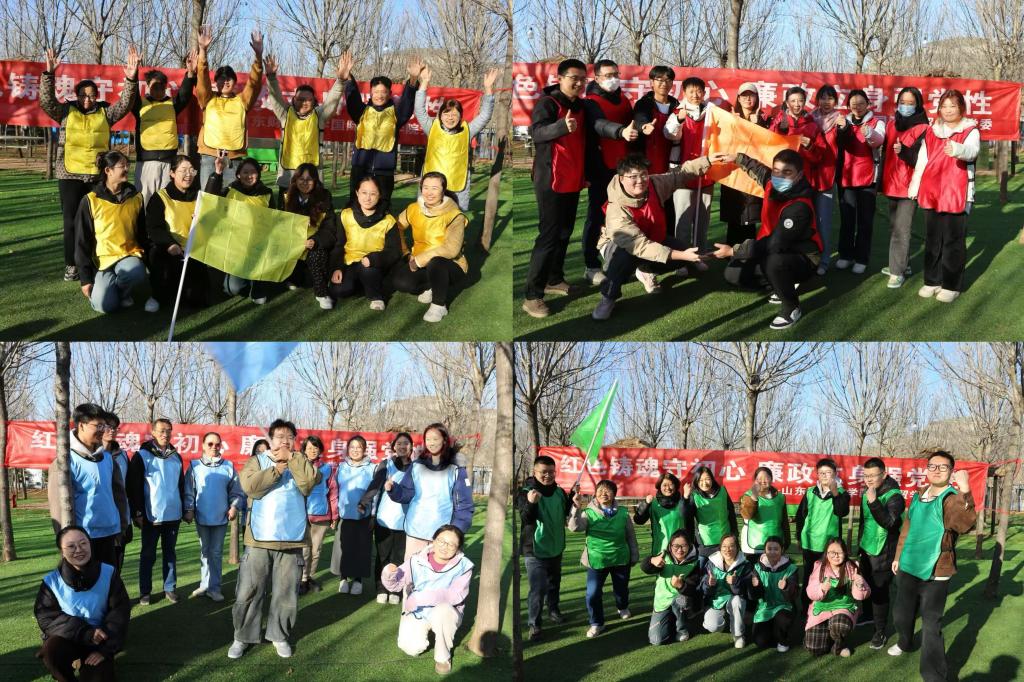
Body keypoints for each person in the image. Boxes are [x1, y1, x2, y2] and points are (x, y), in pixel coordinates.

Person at [522, 58, 638, 319]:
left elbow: (599, 125)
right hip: (550, 180)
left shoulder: (583, 106)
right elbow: (536, 132)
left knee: (564, 233)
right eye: (573, 78)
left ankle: (554, 279)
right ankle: (532, 295)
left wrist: (620, 132)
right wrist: (560, 127)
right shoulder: (548, 103)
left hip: (573, 179)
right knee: (548, 236)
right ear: (560, 78)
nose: (578, 83)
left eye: (582, 79)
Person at [40, 46, 139, 282]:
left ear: (97, 96)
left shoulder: (106, 113)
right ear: (77, 96)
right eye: (83, 95)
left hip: (96, 176)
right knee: (71, 222)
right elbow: (46, 101)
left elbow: (125, 103)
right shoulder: (65, 111)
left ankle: (96, 262)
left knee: (98, 221)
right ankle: (71, 265)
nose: (87, 99)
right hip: (69, 174)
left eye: (92, 95)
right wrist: (48, 74)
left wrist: (131, 79)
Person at [229, 419, 318, 659]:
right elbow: (250, 487)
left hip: (292, 538)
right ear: (270, 439)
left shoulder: (301, 460)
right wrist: (277, 469)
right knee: (249, 590)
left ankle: (279, 635)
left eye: (290, 437)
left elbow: (308, 484)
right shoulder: (257, 461)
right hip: (259, 538)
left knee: (287, 593)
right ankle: (242, 636)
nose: (285, 441)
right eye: (280, 436)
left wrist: (292, 460)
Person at [888, 449, 977, 681]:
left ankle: (933, 675)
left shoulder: (952, 498)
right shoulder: (918, 495)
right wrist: (898, 556)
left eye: (943, 467)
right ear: (926, 470)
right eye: (932, 466)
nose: (937, 471)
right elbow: (907, 529)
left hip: (937, 570)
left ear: (951, 471)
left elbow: (964, 524)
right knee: (901, 614)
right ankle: (905, 642)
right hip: (908, 564)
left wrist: (965, 490)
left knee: (931, 624)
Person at [590, 154, 712, 321]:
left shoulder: (654, 183)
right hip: (621, 247)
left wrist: (708, 160)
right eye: (633, 176)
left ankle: (645, 270)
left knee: (681, 256)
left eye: (643, 175)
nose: (640, 180)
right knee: (622, 261)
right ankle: (608, 297)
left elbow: (679, 174)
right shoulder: (616, 209)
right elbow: (640, 246)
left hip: (653, 238)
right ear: (621, 178)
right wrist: (682, 255)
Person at [711, 149, 822, 330]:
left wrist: (733, 250)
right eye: (776, 171)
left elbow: (775, 243)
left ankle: (791, 307)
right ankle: (780, 284)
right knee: (732, 273)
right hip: (775, 250)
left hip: (803, 258)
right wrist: (737, 157)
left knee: (774, 262)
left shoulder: (799, 207)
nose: (779, 177)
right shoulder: (772, 182)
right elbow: (758, 169)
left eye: (787, 172)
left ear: (799, 175)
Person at [908, 90, 980, 303]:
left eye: (953, 106)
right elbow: (922, 160)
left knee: (953, 240)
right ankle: (932, 280)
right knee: (932, 239)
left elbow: (972, 151)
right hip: (932, 192)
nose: (948, 110)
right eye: (944, 106)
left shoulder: (970, 130)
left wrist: (957, 149)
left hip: (957, 193)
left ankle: (951, 285)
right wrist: (915, 186)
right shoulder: (932, 131)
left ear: (961, 108)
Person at [35, 526, 130, 682]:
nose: (79, 549)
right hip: (68, 639)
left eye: (83, 543)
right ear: (62, 552)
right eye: (71, 546)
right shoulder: (51, 581)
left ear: (90, 544)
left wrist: (105, 650)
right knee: (51, 651)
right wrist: (85, 632)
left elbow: (120, 612)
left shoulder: (109, 572)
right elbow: (46, 617)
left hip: (100, 641)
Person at [382, 524, 474, 675]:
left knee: (443, 611)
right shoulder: (416, 560)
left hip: (445, 612)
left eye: (451, 544)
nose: (445, 546)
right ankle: (427, 630)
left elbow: (455, 595)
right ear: (433, 540)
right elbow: (395, 586)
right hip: (418, 611)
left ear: (458, 548)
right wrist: (389, 573)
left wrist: (419, 598)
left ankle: (443, 656)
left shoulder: (464, 566)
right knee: (410, 648)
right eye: (441, 541)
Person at [47, 403, 128, 567]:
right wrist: (65, 539)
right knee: (86, 581)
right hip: (82, 540)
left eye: (104, 426)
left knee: (109, 579)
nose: (102, 430)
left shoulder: (108, 459)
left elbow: (118, 494)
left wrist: (122, 526)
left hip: (110, 534)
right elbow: (58, 507)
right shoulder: (65, 461)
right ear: (81, 425)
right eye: (98, 426)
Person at [74, 151, 153, 314]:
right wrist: (85, 279)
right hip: (102, 261)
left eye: (127, 165)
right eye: (122, 166)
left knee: (137, 272)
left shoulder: (136, 197)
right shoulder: (90, 200)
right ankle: (106, 291)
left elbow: (142, 233)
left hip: (128, 254)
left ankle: (122, 293)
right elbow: (82, 241)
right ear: (108, 171)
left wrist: (150, 261)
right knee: (105, 306)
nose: (127, 169)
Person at [263, 53, 346, 203]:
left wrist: (340, 81)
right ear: (293, 100)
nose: (304, 103)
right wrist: (271, 77)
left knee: (312, 215)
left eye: (308, 100)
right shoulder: (285, 114)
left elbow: (332, 100)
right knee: (285, 214)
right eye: (300, 99)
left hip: (312, 179)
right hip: (287, 178)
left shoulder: (319, 116)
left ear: (314, 101)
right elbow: (275, 97)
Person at [415, 65, 498, 211]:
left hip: (457, 185)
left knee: (455, 220)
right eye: (446, 114)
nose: (450, 117)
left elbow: (485, 116)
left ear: (460, 117)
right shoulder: (432, 127)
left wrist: (488, 89)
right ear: (440, 115)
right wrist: (424, 83)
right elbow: (419, 110)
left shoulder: (468, 130)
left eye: (454, 114)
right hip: (432, 185)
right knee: (428, 218)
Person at [580, 59, 634, 286]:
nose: (613, 79)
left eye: (616, 74)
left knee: (626, 215)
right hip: (600, 168)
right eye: (608, 75)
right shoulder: (590, 102)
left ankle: (622, 260)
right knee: (596, 216)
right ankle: (591, 265)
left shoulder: (624, 100)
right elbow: (599, 124)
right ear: (597, 78)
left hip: (625, 168)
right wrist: (620, 131)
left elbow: (635, 123)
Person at [341, 57, 421, 207]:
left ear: (389, 93)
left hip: (384, 173)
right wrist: (348, 77)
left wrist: (413, 80)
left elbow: (407, 103)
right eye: (376, 91)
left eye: (383, 92)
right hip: (360, 169)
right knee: (355, 205)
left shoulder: (396, 114)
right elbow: (352, 98)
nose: (379, 95)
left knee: (382, 208)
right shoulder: (362, 112)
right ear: (370, 93)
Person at [387, 423, 474, 559]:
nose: (431, 443)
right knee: (413, 569)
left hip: (443, 535)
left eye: (435, 439)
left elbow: (464, 503)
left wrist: (456, 530)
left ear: (444, 440)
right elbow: (407, 493)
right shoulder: (417, 465)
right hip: (416, 531)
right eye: (428, 439)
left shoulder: (456, 468)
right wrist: (393, 489)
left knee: (439, 571)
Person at [390, 172, 469, 322]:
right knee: (401, 282)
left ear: (443, 190)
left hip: (450, 264)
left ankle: (439, 305)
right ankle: (431, 286)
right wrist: (406, 252)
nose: (429, 192)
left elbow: (451, 249)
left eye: (434, 188)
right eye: (425, 187)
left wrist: (418, 260)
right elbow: (396, 227)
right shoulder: (413, 208)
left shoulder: (454, 215)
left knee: (436, 262)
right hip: (420, 262)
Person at [567, 479, 639, 638]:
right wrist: (576, 507)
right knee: (592, 594)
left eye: (607, 490)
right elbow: (574, 527)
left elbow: (630, 536)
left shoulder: (623, 513)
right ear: (595, 494)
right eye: (600, 490)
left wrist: (634, 554)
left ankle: (622, 607)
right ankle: (596, 623)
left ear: (614, 494)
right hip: (596, 560)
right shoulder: (588, 512)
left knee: (621, 589)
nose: (603, 494)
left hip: (620, 558)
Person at [195, 25, 265, 186]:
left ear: (234, 82)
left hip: (234, 158)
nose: (225, 81)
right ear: (215, 82)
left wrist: (258, 56)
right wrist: (203, 50)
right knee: (208, 197)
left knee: (230, 197)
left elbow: (254, 83)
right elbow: (202, 77)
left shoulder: (242, 100)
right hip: (209, 157)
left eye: (229, 78)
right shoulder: (208, 99)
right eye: (221, 78)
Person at [126, 418, 185, 605]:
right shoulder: (142, 456)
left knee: (170, 555)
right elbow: (133, 487)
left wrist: (185, 509)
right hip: (151, 516)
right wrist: (137, 512)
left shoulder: (176, 456)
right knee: (148, 555)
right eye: (161, 430)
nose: (165, 434)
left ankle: (170, 588)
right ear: (153, 432)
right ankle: (145, 591)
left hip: (173, 515)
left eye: (168, 430)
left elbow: (181, 486)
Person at [204, 154, 276, 303]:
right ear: (238, 175)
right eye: (245, 172)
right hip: (235, 247)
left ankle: (259, 282)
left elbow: (274, 219)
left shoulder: (267, 193)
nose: (249, 176)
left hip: (258, 247)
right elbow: (211, 198)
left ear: (258, 174)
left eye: (253, 172)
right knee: (232, 288)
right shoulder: (230, 190)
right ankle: (247, 280)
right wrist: (218, 173)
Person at [183, 431, 244, 602]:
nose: (214, 447)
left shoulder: (228, 466)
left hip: (221, 516)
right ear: (203, 445)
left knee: (216, 553)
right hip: (201, 516)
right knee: (204, 551)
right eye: (210, 444)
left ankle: (215, 588)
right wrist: (189, 508)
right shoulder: (195, 465)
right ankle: (204, 585)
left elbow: (236, 491)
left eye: (217, 444)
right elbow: (189, 490)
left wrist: (234, 507)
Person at [517, 454, 572, 640]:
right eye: (543, 472)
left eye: (551, 472)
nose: (547, 475)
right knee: (538, 588)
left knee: (554, 583)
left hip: (556, 546)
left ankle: (553, 611)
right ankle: (534, 624)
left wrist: (573, 500)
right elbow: (525, 518)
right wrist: (531, 504)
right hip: (534, 549)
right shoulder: (526, 492)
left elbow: (565, 512)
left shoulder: (560, 492)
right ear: (535, 472)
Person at [328, 176, 402, 310]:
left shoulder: (388, 220)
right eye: (364, 193)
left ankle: (376, 296)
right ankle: (361, 284)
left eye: (373, 194)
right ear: (357, 193)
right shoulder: (346, 215)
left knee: (367, 271)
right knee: (340, 290)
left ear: (380, 195)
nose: (368, 198)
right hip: (349, 262)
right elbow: (339, 245)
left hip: (374, 265)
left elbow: (394, 252)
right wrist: (337, 268)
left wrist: (374, 259)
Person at [881, 87, 929, 288]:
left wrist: (904, 152)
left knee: (902, 229)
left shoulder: (923, 128)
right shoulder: (892, 124)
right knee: (895, 227)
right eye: (903, 102)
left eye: (911, 103)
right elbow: (885, 153)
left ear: (918, 105)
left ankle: (897, 272)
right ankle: (903, 264)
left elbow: (921, 159)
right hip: (891, 183)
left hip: (909, 186)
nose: (906, 106)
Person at [131, 55, 197, 203]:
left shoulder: (172, 104)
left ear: (166, 87)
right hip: (146, 163)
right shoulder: (139, 104)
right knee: (144, 201)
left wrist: (190, 74)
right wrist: (133, 74)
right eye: (155, 86)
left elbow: (184, 94)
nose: (158, 89)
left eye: (162, 86)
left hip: (169, 162)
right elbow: (131, 94)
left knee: (167, 202)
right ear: (148, 86)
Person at [834, 89, 885, 274]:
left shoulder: (877, 122)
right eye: (853, 104)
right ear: (848, 106)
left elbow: (878, 141)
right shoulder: (842, 121)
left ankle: (861, 258)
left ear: (868, 104)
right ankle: (845, 255)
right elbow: (840, 141)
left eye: (861, 103)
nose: (857, 107)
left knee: (865, 221)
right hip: (846, 178)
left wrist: (869, 133)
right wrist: (843, 128)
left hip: (868, 179)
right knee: (847, 220)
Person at [360, 432, 414, 604]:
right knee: (383, 556)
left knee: (399, 557)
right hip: (384, 519)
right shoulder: (387, 464)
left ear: (411, 447)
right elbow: (375, 485)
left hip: (405, 521)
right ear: (394, 447)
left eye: (406, 443)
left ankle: (395, 589)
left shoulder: (416, 467)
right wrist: (364, 501)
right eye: (399, 443)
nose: (402, 446)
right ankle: (381, 588)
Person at [146, 154, 206, 310]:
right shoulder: (160, 197)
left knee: (196, 299)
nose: (188, 174)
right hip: (168, 250)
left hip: (193, 251)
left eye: (192, 170)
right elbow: (154, 228)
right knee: (164, 280)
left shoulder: (199, 197)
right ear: (172, 173)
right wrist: (170, 244)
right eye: (183, 170)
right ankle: (156, 295)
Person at [857, 457, 905, 649]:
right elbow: (864, 522)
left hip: (884, 551)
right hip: (866, 547)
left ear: (884, 474)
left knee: (880, 591)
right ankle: (868, 615)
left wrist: (874, 502)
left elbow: (890, 523)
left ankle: (880, 632)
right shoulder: (867, 492)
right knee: (865, 584)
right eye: (866, 475)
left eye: (873, 475)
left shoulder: (895, 496)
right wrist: (859, 547)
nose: (869, 479)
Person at [665, 77, 715, 257]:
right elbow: (669, 134)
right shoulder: (677, 112)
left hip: (706, 172)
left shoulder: (712, 112)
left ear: (704, 93)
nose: (695, 95)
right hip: (683, 172)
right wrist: (679, 120)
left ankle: (700, 254)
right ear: (684, 92)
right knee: (683, 219)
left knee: (703, 219)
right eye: (691, 91)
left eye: (699, 91)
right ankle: (683, 258)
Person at [794, 458, 850, 609]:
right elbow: (801, 516)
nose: (825, 476)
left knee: (830, 576)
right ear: (817, 475)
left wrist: (835, 492)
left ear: (835, 474)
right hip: (810, 543)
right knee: (809, 575)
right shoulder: (810, 492)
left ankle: (829, 606)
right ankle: (806, 607)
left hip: (830, 545)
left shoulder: (842, 493)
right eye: (821, 473)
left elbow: (842, 511)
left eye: (828, 472)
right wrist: (799, 537)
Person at [282, 163, 338, 309]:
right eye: (301, 179)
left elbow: (329, 229)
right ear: (295, 180)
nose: (305, 183)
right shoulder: (287, 197)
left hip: (314, 246)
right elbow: (280, 226)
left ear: (315, 181)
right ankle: (290, 278)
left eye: (309, 179)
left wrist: (315, 240)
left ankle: (321, 293)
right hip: (293, 246)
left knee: (316, 253)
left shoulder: (324, 197)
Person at [720, 83, 769, 246]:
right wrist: (733, 124)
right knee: (734, 216)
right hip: (733, 174)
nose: (748, 99)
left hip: (753, 174)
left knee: (750, 218)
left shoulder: (764, 120)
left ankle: (749, 253)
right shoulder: (730, 119)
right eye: (744, 95)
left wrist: (758, 125)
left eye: (752, 95)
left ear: (757, 98)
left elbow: (765, 147)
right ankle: (731, 253)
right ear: (739, 99)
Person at [804, 537, 870, 657]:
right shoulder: (819, 567)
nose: (835, 556)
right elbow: (810, 592)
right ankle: (828, 634)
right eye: (832, 552)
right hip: (822, 609)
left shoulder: (852, 567)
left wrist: (860, 584)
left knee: (840, 625)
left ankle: (839, 645)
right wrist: (822, 588)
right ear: (826, 553)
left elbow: (861, 596)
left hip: (843, 608)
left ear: (845, 553)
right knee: (815, 648)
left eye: (839, 552)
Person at [330, 435, 376, 595]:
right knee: (343, 549)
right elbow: (334, 491)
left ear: (364, 450)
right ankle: (343, 578)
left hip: (364, 517)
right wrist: (334, 514)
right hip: (344, 516)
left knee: (361, 549)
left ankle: (358, 580)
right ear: (348, 449)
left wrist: (373, 515)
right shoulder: (341, 467)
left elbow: (376, 493)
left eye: (359, 447)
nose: (355, 450)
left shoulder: (372, 468)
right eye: (352, 447)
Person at [641, 528, 700, 645]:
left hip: (681, 601)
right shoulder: (664, 556)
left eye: (684, 546)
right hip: (662, 602)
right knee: (657, 640)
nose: (680, 550)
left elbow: (693, 589)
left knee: (681, 600)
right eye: (676, 546)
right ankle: (671, 619)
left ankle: (682, 629)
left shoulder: (694, 563)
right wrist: (651, 560)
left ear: (689, 545)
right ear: (670, 546)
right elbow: (645, 568)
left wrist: (680, 585)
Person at [808, 85, 842, 275]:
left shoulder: (839, 121)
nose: (826, 102)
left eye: (830, 98)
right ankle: (809, 259)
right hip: (807, 177)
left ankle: (824, 260)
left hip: (826, 178)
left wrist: (844, 128)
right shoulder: (809, 118)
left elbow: (845, 143)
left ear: (835, 101)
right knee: (807, 221)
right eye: (823, 98)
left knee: (823, 222)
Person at [299, 435, 337, 595]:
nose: (312, 451)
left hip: (321, 515)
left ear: (320, 449)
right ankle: (301, 579)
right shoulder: (298, 467)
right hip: (300, 515)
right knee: (303, 550)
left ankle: (309, 578)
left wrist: (334, 515)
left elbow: (333, 492)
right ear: (304, 450)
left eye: (315, 448)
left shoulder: (327, 468)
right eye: (309, 448)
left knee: (316, 550)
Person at [700, 533, 753, 648]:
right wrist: (709, 584)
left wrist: (736, 583)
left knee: (737, 601)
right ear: (720, 548)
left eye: (731, 546)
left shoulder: (745, 564)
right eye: (724, 546)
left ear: (737, 547)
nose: (727, 550)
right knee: (713, 626)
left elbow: (748, 592)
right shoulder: (711, 563)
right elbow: (704, 590)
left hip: (735, 600)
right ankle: (730, 620)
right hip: (717, 601)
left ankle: (738, 635)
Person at [750, 535, 799, 652]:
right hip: (765, 607)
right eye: (769, 549)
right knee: (760, 641)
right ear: (765, 550)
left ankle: (783, 639)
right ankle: (773, 629)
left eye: (776, 549)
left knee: (783, 619)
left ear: (782, 550)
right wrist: (756, 587)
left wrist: (786, 587)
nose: (772, 552)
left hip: (784, 606)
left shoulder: (791, 568)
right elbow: (755, 596)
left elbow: (794, 595)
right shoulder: (757, 568)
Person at [682, 466, 738, 563]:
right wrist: (685, 498)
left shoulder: (722, 491)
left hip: (725, 539)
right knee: (701, 569)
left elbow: (731, 513)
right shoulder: (694, 496)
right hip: (706, 542)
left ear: (712, 479)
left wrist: (735, 533)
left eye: (707, 479)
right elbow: (686, 516)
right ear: (696, 481)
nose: (704, 483)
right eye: (701, 480)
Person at [100, 411, 131, 572]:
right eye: (108, 426)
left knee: (117, 564)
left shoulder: (123, 456)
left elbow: (128, 488)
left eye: (115, 427)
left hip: (120, 519)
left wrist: (128, 518)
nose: (112, 430)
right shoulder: (91, 455)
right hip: (98, 521)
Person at [739, 467, 790, 561]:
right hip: (754, 543)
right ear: (755, 480)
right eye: (759, 478)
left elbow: (784, 521)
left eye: (766, 478)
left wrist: (786, 542)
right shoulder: (748, 495)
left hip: (775, 543)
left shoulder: (780, 497)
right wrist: (754, 497)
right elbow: (747, 515)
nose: (763, 481)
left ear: (771, 479)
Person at [633, 472, 684, 556]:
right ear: (659, 486)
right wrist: (645, 504)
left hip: (681, 550)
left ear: (676, 486)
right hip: (660, 550)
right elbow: (638, 520)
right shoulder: (653, 503)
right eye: (664, 485)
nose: (668, 488)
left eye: (671, 485)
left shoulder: (683, 502)